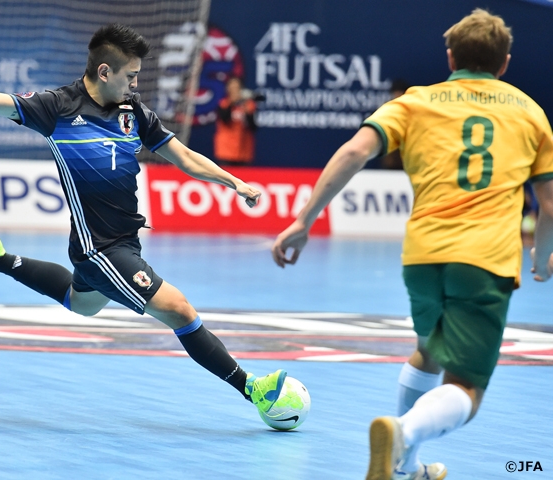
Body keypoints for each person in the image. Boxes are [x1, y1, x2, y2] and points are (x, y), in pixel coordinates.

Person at [0, 24, 287, 418]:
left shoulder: (135, 114)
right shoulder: (57, 107)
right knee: (179, 309)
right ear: (105, 72)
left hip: (126, 241)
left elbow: (184, 156)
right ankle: (252, 389)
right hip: (100, 248)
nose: (135, 83)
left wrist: (234, 181)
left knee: (82, 304)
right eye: (131, 75)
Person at [271, 9, 553, 480]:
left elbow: (354, 151)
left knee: (431, 349)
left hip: (422, 256)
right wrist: (542, 258)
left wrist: (304, 219)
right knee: (467, 389)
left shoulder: (415, 101)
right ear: (504, 63)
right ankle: (402, 433)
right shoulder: (529, 112)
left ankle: (405, 467)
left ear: (450, 57)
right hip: (484, 260)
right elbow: (549, 201)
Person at [213, 76, 257, 166]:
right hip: (226, 150)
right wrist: (232, 103)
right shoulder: (224, 104)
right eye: (232, 87)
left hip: (243, 150)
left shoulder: (249, 105)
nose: (235, 91)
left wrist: (246, 110)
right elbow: (225, 119)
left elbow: (253, 126)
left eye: (237, 88)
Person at [380, 79, 409, 170]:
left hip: (407, 153)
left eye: (400, 92)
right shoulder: (386, 109)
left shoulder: (411, 109)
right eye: (396, 92)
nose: (398, 95)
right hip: (391, 154)